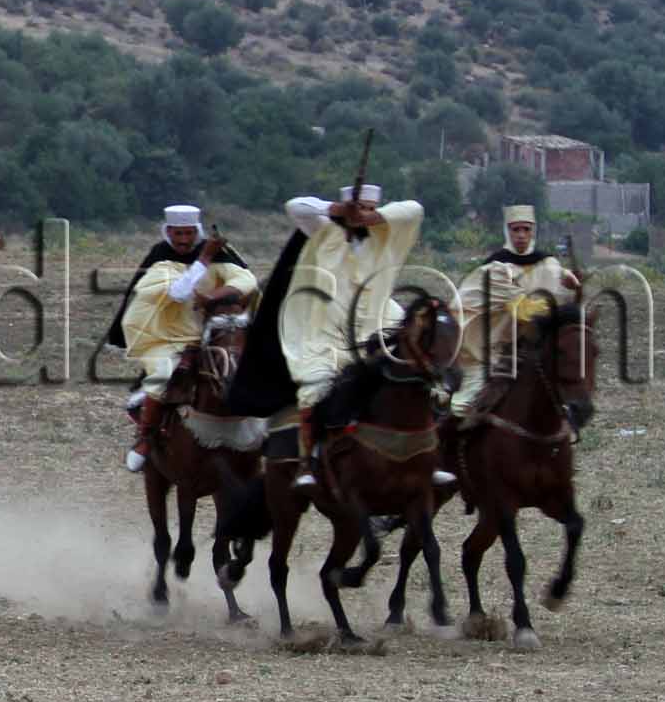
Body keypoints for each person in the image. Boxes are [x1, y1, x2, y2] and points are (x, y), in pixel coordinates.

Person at [275, 183, 424, 487]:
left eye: (370, 208)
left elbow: (415, 209)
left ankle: (429, 458)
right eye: (360, 208)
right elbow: (295, 206)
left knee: (423, 378)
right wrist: (337, 210)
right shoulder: (324, 230)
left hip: (377, 330)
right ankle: (307, 461)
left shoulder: (386, 235)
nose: (363, 214)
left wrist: (373, 216)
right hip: (326, 336)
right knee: (314, 387)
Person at [107, 205, 257, 473]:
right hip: (166, 338)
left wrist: (215, 295)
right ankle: (146, 437)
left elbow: (247, 281)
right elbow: (178, 293)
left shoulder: (221, 256)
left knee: (250, 366)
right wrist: (205, 257)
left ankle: (264, 438)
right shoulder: (160, 259)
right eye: (178, 234)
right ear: (168, 232)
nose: (184, 240)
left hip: (213, 333)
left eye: (189, 233)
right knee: (164, 373)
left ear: (196, 232)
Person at [449, 203, 581, 422]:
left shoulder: (547, 263)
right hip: (490, 351)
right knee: (464, 407)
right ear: (507, 231)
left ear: (533, 231)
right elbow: (525, 311)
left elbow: (555, 283)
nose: (521, 235)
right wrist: (560, 309)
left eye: (526, 229)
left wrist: (569, 285)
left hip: (530, 350)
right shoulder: (495, 268)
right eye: (515, 229)